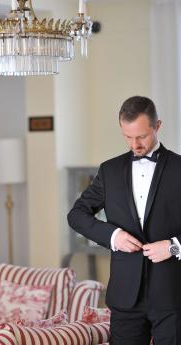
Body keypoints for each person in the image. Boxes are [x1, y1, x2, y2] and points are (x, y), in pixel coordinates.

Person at [67, 96, 181, 345]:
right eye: (128, 137)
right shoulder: (110, 171)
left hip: (172, 297)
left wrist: (173, 246)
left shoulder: (179, 169)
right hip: (125, 298)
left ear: (157, 126)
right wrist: (113, 236)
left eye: (141, 136)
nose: (135, 144)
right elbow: (76, 215)